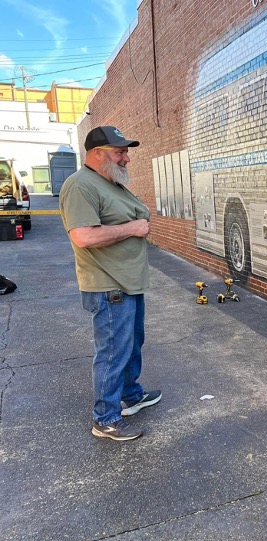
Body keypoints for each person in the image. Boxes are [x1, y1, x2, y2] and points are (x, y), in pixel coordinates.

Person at [60, 126, 161, 441]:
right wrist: (133, 228)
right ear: (97, 154)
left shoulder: (111, 181)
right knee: (112, 352)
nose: (127, 158)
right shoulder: (80, 186)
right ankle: (105, 418)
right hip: (108, 286)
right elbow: (83, 236)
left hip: (129, 282)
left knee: (131, 345)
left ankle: (130, 396)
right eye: (120, 152)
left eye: (126, 152)